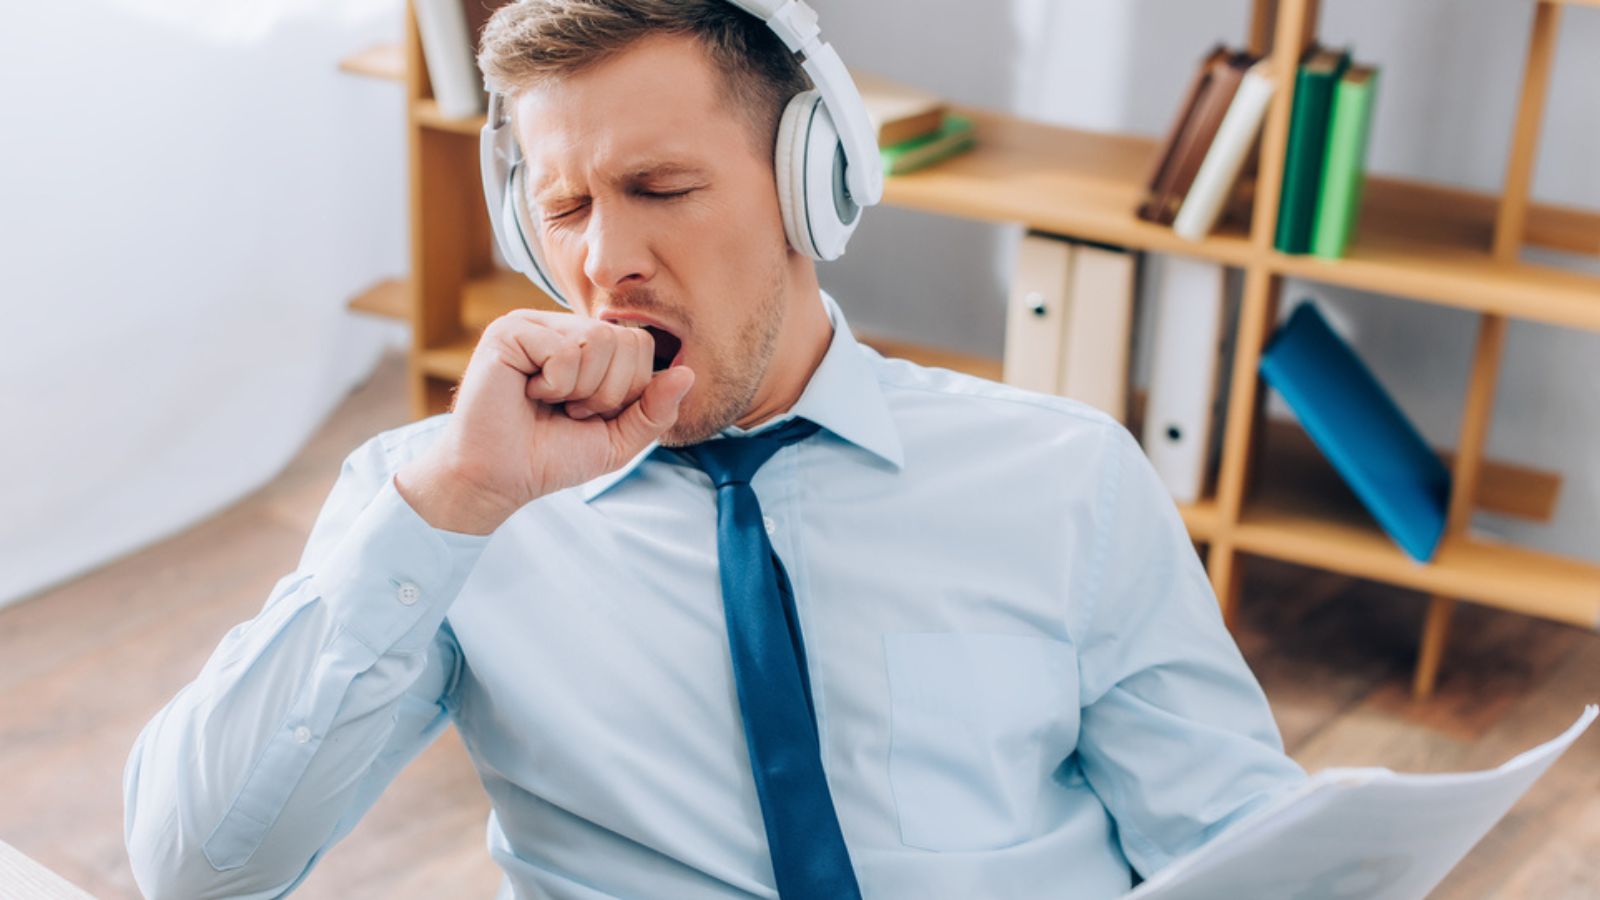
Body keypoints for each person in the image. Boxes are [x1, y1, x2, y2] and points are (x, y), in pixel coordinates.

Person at [123, 1, 1306, 897]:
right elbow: (194, 866)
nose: (604, 263)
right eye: (569, 209)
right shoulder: (438, 507)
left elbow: (1239, 844)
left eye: (659, 186)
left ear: (813, 184)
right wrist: (454, 502)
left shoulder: (1067, 478)